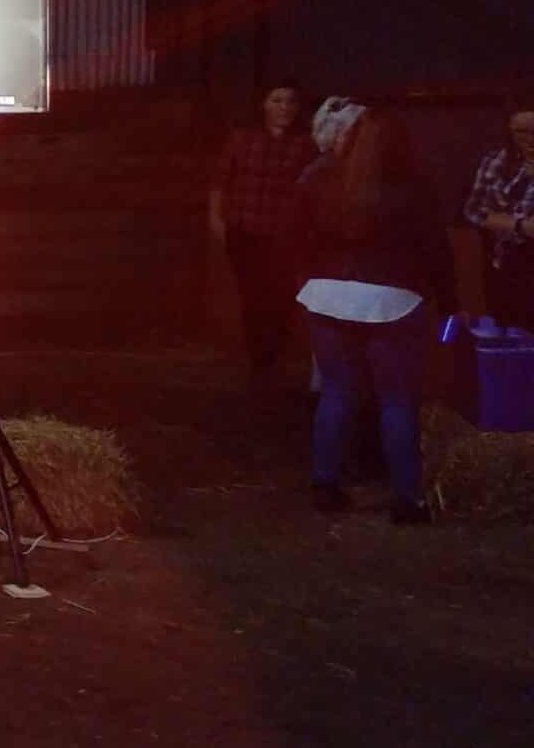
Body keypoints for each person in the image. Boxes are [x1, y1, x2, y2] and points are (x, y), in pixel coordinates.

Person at [295, 98, 452, 523]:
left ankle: (325, 485)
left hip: (326, 297)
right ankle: (407, 499)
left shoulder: (317, 175)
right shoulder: (413, 185)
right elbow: (436, 251)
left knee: (336, 391)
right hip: (391, 301)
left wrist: (305, 285)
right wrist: (449, 308)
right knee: (397, 401)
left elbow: (294, 235)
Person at [210, 81, 310, 389]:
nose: (284, 107)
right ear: (264, 105)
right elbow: (220, 181)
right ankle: (259, 361)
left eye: (290, 101)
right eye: (277, 100)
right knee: (252, 295)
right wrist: (217, 220)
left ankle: (272, 356)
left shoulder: (306, 144)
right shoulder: (242, 139)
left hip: (284, 233)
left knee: (280, 296)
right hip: (245, 229)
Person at [460, 97, 534, 331]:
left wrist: (497, 219)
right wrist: (518, 225)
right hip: (505, 263)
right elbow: (472, 211)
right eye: (522, 131)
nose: (530, 139)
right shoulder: (496, 161)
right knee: (509, 332)